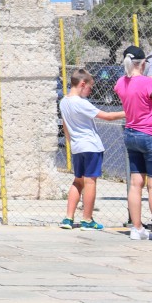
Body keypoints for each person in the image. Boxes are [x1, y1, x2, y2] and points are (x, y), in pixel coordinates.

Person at [116, 45, 152, 242]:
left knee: (135, 183)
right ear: (143, 63)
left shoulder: (120, 83)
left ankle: (137, 228)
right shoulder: (149, 84)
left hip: (131, 134)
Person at [59, 68, 124, 229]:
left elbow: (65, 125)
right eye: (90, 86)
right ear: (82, 84)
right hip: (91, 146)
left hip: (77, 147)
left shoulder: (64, 101)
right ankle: (87, 219)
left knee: (77, 181)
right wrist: (128, 111)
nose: (91, 90)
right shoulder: (81, 103)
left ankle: (68, 218)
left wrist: (71, 141)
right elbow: (107, 117)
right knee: (90, 182)